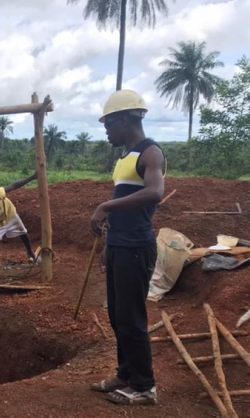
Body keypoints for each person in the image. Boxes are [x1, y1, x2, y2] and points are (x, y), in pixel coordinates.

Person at [89, 89, 166, 406]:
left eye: (109, 124)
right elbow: (126, 204)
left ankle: (145, 387)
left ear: (124, 120)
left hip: (137, 246)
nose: (106, 130)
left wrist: (105, 206)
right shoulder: (125, 158)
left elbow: (154, 193)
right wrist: (110, 242)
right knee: (118, 316)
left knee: (132, 317)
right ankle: (125, 374)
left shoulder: (151, 154)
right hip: (121, 244)